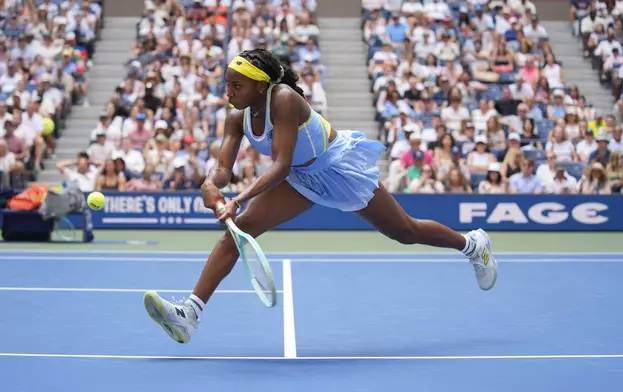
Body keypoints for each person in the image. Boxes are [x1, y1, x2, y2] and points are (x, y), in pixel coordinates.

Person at [143, 49, 498, 344]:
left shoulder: (284, 99)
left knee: (405, 231)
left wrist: (237, 198)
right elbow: (223, 169)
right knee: (239, 231)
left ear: (261, 85)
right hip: (301, 178)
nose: (228, 91)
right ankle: (189, 314)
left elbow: (280, 165)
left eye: (237, 84)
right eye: (227, 84)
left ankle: (471, 244)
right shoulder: (235, 118)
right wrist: (211, 183)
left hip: (337, 167)